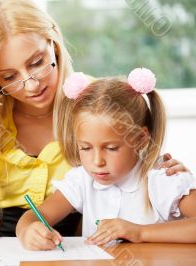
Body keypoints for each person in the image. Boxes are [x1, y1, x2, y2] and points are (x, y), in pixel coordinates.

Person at [0, 0, 188, 239]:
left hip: (78, 239)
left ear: (54, 44)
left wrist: (174, 179)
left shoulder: (93, 103)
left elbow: (138, 161)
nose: (32, 85)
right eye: (9, 77)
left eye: (37, 63)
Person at [16, 68, 196, 250]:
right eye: (85, 148)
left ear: (140, 138)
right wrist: (27, 231)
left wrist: (139, 232)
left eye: (111, 148)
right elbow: (33, 217)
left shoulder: (162, 179)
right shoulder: (81, 180)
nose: (97, 162)